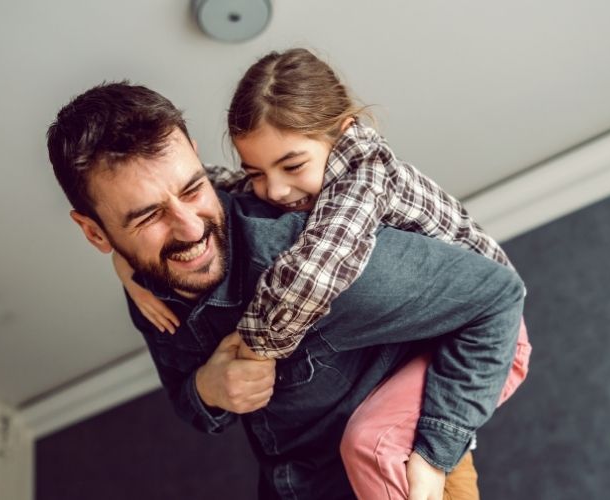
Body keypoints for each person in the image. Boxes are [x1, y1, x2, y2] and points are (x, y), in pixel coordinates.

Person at [47, 81, 525, 499]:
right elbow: (190, 405)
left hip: (397, 474)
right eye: (149, 216)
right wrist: (208, 388)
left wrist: (436, 451)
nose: (190, 228)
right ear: (95, 233)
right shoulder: (149, 286)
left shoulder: (312, 259)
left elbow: (497, 296)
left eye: (193, 189)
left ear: (195, 155)